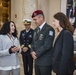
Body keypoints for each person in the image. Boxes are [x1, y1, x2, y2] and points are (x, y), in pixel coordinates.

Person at [31, 10, 55, 75]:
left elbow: (47, 45)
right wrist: (32, 51)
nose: (34, 21)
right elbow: (33, 43)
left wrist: (36, 54)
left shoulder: (49, 29)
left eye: (35, 19)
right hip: (37, 61)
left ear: (41, 18)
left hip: (45, 62)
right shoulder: (36, 30)